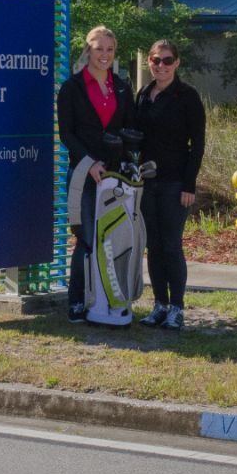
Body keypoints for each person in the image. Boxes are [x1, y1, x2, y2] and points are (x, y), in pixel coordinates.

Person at [56, 25, 136, 324]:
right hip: (84, 174)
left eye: (110, 49)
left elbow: (129, 128)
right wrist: (89, 164)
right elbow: (67, 134)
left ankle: (110, 300)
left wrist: (125, 161)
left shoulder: (123, 87)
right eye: (99, 48)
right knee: (87, 238)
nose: (104, 55)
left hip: (116, 176)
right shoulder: (72, 88)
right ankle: (77, 301)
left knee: (113, 239)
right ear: (87, 50)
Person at [135, 39, 205, 330]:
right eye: (155, 60)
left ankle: (177, 307)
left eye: (166, 60)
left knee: (171, 245)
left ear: (177, 63)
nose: (160, 66)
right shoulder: (144, 94)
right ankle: (159, 304)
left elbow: (197, 144)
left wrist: (189, 184)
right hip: (147, 183)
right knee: (153, 246)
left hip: (175, 183)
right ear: (148, 62)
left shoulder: (187, 96)